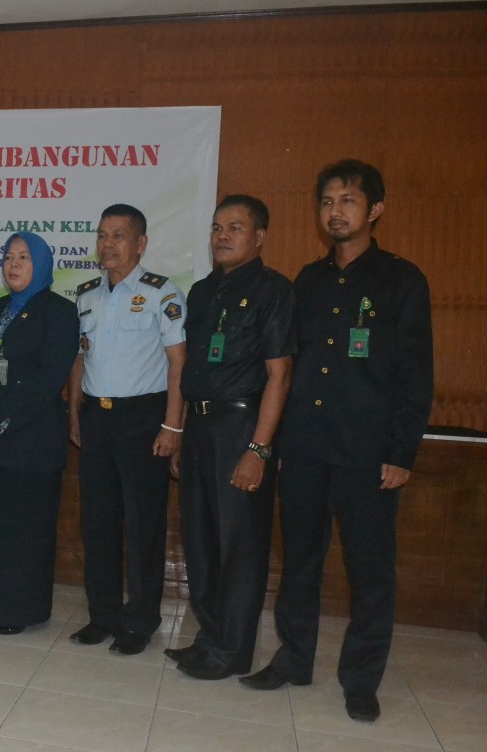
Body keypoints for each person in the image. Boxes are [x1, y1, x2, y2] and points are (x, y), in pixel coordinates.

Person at [241, 160, 433, 723]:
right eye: (327, 201)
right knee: (300, 561)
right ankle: (294, 660)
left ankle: (362, 679)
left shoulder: (402, 280)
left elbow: (416, 374)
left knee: (370, 569)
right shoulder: (308, 280)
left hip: (368, 454)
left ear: (375, 210)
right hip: (305, 447)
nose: (335, 212)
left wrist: (401, 452)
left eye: (347, 200)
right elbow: (291, 367)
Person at [168, 195, 295, 680]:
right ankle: (210, 638)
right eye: (217, 227)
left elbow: (280, 375)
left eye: (235, 228)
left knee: (239, 547)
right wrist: (181, 431)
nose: (222, 236)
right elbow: (191, 369)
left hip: (242, 428)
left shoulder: (273, 290)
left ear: (259, 237)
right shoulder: (202, 292)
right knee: (201, 542)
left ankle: (232, 652)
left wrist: (258, 449)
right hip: (200, 427)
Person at [67, 203, 186, 654]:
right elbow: (81, 358)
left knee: (142, 525)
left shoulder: (162, 293)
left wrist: (173, 425)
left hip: (144, 419)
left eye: (118, 235)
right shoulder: (86, 296)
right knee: (97, 521)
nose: (107, 244)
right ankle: (103, 615)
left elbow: (178, 363)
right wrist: (74, 412)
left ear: (141, 244)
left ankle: (139, 621)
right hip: (97, 417)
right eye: (102, 235)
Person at [0, 232, 78, 634]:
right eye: (9, 257)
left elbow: (48, 378)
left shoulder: (60, 312)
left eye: (24, 257)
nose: (14, 265)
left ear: (41, 264)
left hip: (30, 439)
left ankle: (16, 611)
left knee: (23, 530)